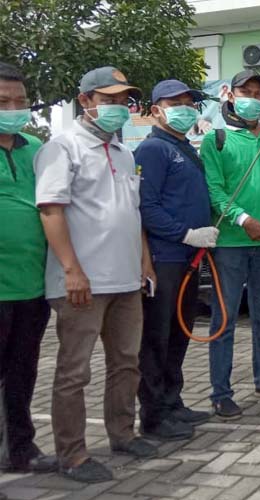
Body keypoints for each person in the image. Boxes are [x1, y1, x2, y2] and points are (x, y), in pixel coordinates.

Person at [35, 66, 157, 483]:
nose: (118, 108)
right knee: (74, 372)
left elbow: (131, 213)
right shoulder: (61, 147)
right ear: (84, 101)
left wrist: (143, 262)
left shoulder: (124, 152)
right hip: (82, 282)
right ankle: (72, 455)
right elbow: (51, 210)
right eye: (108, 100)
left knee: (126, 363)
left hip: (125, 280)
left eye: (124, 100)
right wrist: (71, 270)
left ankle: (122, 434)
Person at [200, 70, 260, 419]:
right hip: (230, 244)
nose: (252, 98)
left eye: (258, 93)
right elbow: (215, 191)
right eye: (246, 91)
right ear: (230, 94)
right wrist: (244, 220)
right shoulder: (218, 139)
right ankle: (220, 393)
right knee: (224, 320)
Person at [135, 79, 217, 441]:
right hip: (164, 256)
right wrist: (185, 234)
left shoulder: (184, 147)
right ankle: (153, 414)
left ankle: (173, 401)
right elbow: (145, 206)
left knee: (179, 333)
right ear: (156, 110)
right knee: (156, 337)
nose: (185, 108)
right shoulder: (153, 150)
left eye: (189, 102)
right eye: (175, 102)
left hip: (189, 257)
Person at [0, 62, 56, 474]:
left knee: (22, 374)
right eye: (4, 102)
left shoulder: (36, 148)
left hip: (31, 285)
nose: (14, 108)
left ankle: (22, 449)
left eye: (20, 101)